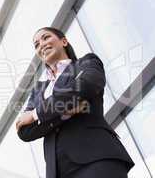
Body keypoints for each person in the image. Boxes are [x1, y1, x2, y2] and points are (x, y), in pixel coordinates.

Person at [16, 27, 134, 178]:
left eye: (46, 38)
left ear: (64, 41)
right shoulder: (38, 89)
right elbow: (25, 131)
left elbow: (88, 85)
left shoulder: (86, 63)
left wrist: (37, 113)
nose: (42, 45)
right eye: (37, 44)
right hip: (58, 171)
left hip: (96, 157)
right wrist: (65, 112)